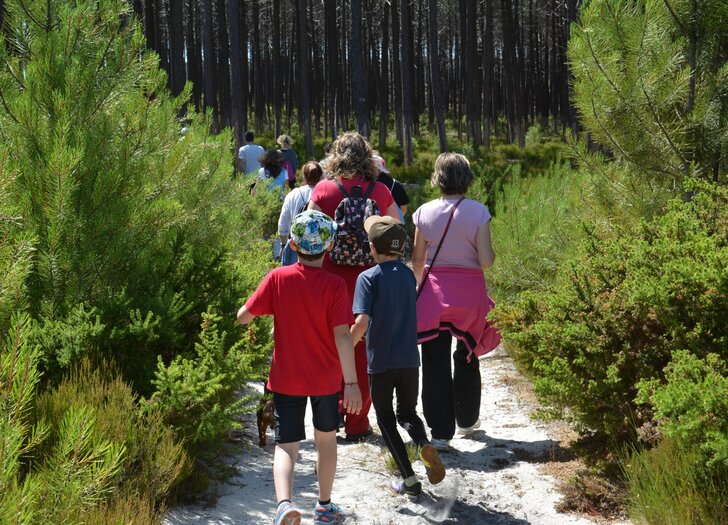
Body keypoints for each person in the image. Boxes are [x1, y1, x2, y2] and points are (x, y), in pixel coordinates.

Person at [237, 210, 363, 525]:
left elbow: (243, 316)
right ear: (330, 246)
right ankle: (324, 507)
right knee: (326, 441)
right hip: (325, 379)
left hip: (286, 378)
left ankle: (284, 505)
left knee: (286, 446)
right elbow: (343, 336)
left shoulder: (277, 278)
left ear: (292, 245)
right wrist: (351, 383)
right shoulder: (335, 285)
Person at [308, 131, 400, 442]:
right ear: (367, 157)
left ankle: (331, 414)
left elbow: (308, 232)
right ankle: (357, 423)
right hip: (370, 280)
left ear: (336, 156)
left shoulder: (323, 189)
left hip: (329, 279)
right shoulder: (381, 191)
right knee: (363, 349)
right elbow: (398, 229)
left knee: (329, 345)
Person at [350, 215, 446, 499]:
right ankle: (423, 443)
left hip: (381, 362)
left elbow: (362, 322)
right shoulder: (407, 275)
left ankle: (410, 480)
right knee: (408, 413)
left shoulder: (367, 278)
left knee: (385, 419)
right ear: (400, 247)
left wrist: (343, 348)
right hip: (409, 360)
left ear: (372, 247)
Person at [411, 152, 499, 452]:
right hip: (470, 294)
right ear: (467, 179)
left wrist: (421, 288)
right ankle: (467, 419)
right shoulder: (479, 212)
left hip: (435, 294)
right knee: (467, 354)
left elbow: (418, 260)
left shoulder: (423, 212)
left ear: (438, 179)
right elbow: (486, 261)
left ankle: (440, 433)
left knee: (434, 360)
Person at [277, 161, 324, 265]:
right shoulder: (324, 194)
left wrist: (283, 244)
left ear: (304, 176)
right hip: (318, 247)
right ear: (321, 176)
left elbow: (283, 223)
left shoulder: (293, 194)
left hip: (295, 244)